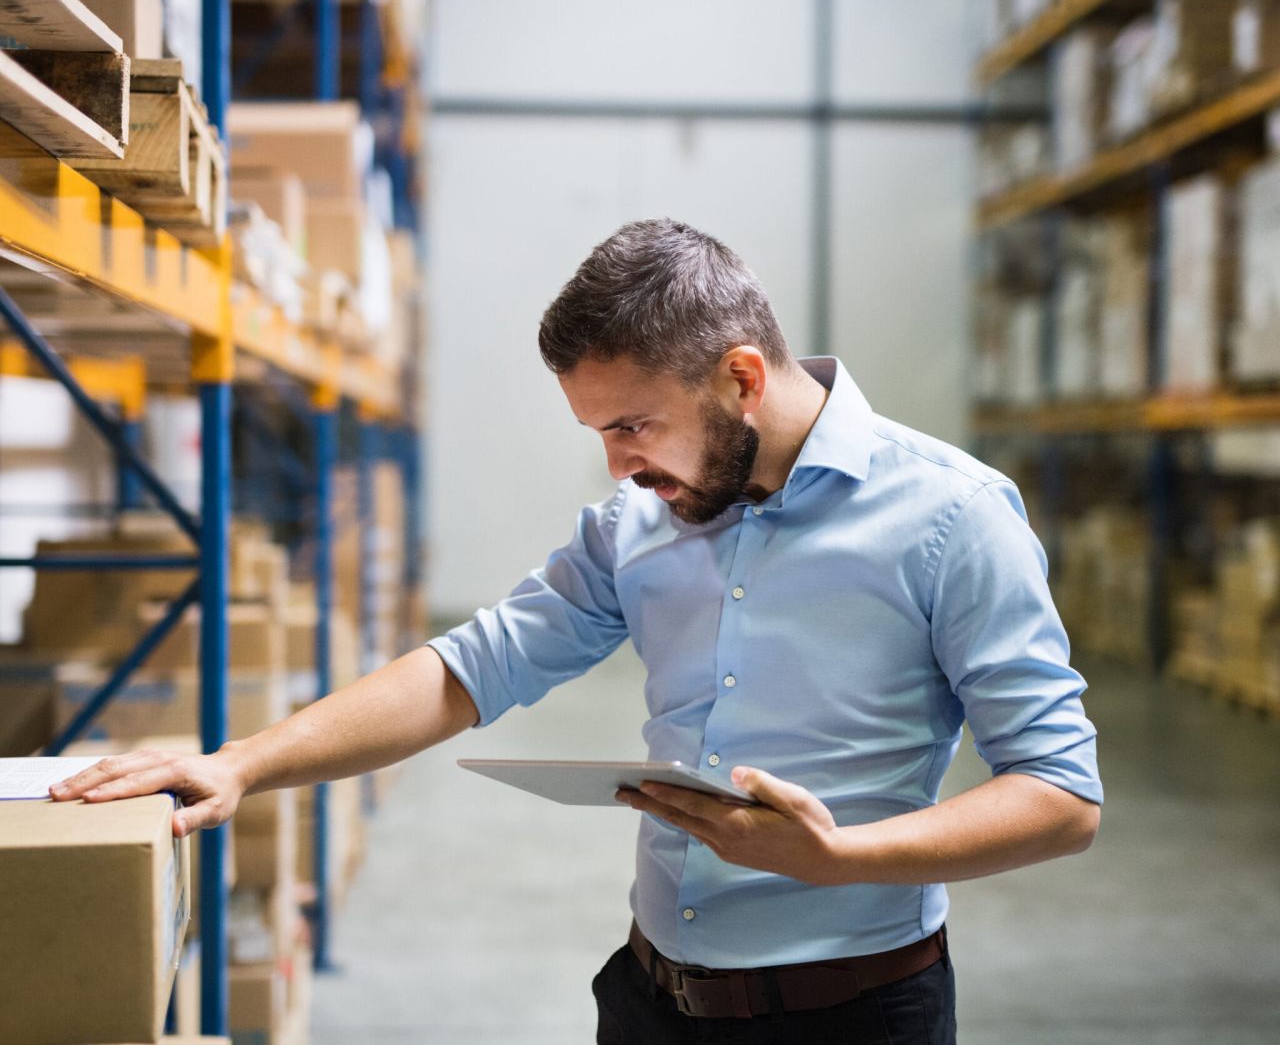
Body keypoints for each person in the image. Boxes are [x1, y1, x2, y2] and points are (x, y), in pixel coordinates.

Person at [54, 218, 1102, 1044]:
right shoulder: (636, 523)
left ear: (739, 377)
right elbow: (470, 666)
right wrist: (242, 762)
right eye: (599, 432)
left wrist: (840, 857)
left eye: (631, 425)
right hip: (652, 1000)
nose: (617, 467)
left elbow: (1059, 795)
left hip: (856, 1011)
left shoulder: (951, 517)